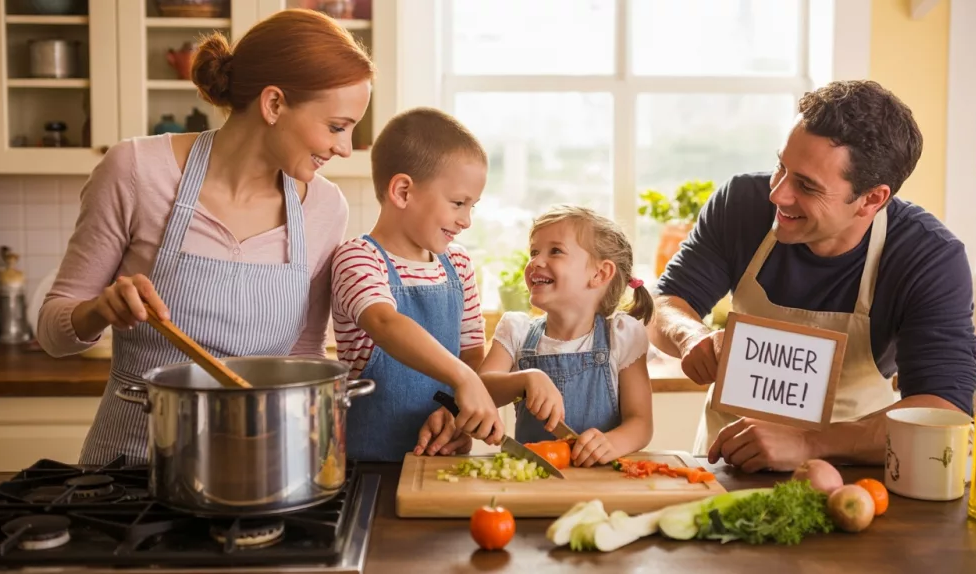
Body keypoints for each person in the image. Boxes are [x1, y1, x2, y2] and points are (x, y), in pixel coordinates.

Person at [36, 9, 375, 465]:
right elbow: (52, 333)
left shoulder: (324, 207)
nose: (344, 148)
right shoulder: (136, 171)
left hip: (254, 473)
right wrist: (98, 310)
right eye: (336, 126)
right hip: (127, 472)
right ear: (274, 104)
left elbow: (305, 354)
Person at [648, 80, 976, 473]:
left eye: (806, 186)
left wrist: (810, 443)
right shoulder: (740, 205)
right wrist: (690, 335)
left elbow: (944, 410)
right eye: (781, 167)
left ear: (872, 198)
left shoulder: (927, 257)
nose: (778, 194)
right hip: (722, 468)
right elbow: (664, 303)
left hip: (849, 477)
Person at [331, 107, 503, 462]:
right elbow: (385, 322)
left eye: (472, 206)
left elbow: (472, 355)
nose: (466, 220)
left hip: (442, 464)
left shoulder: (459, 265)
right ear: (403, 191)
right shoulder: (359, 259)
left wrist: (457, 416)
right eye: (458, 203)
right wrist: (464, 379)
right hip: (369, 470)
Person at [480, 205, 655, 467]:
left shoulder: (622, 337)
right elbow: (480, 390)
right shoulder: (516, 331)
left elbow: (641, 423)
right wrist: (527, 379)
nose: (536, 261)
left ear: (599, 274)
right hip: (532, 479)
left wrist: (612, 443)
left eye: (555, 251)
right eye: (534, 252)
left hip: (601, 480)